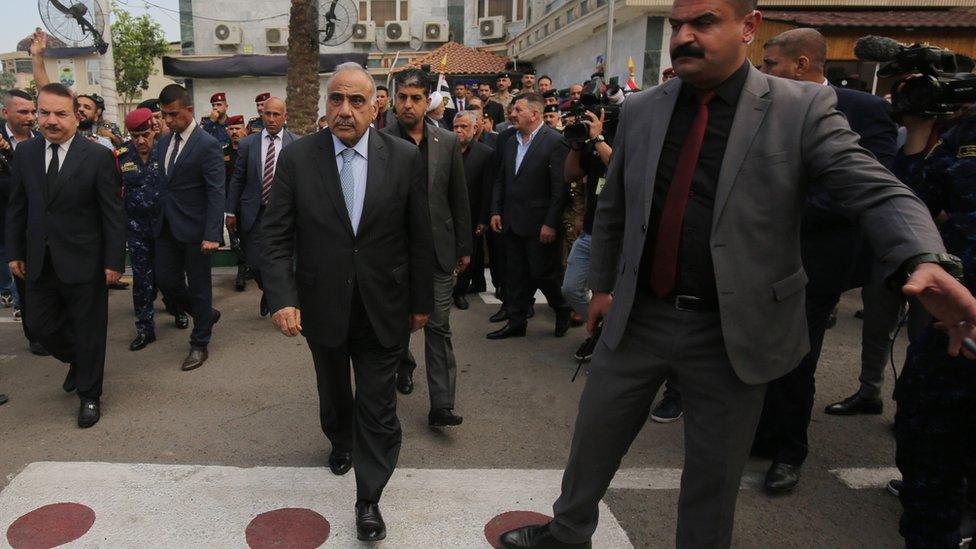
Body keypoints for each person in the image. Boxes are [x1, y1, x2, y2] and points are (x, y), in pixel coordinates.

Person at [497, 0, 972, 546]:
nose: (683, 37)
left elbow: (875, 188)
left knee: (712, 477)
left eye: (703, 23)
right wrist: (603, 284)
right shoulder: (646, 108)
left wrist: (923, 258)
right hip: (639, 317)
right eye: (677, 25)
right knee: (593, 441)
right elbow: (617, 208)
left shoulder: (800, 109)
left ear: (749, 27)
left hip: (731, 331)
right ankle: (566, 532)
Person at [260, 62, 433, 542]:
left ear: (376, 105)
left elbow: (419, 235)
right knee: (335, 391)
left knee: (378, 405)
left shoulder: (403, 157)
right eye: (336, 99)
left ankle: (369, 498)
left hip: (385, 304)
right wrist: (282, 297)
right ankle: (339, 439)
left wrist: (421, 301)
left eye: (356, 101)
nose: (344, 110)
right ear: (326, 104)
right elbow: (274, 236)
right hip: (321, 303)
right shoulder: (299, 159)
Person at [752, 27, 901, 493]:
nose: (764, 72)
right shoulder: (757, 107)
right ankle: (761, 433)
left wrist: (779, 213)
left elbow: (865, 186)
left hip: (817, 257)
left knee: (798, 355)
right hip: (758, 254)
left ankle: (788, 452)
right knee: (756, 347)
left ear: (801, 65)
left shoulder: (863, 110)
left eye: (771, 64)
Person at [5, 83, 125, 428]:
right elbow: (18, 206)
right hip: (38, 261)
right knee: (40, 327)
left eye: (60, 113)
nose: (51, 120)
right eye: (45, 113)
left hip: (86, 261)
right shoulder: (26, 154)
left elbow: (112, 214)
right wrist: (14, 250)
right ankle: (79, 359)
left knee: (89, 330)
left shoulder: (99, 156)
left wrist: (114, 261)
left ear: (77, 116)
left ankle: (89, 396)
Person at [893, 109, 976, 549]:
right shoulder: (965, 133)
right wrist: (919, 135)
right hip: (953, 322)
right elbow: (908, 204)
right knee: (926, 447)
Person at [383, 68, 471, 427]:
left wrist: (464, 246)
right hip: (393, 254)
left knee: (439, 326)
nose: (408, 105)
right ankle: (401, 369)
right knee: (394, 326)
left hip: (437, 250)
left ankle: (442, 405)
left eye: (416, 98)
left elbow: (458, 197)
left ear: (427, 101)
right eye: (402, 97)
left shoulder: (446, 142)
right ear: (394, 100)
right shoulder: (380, 140)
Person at [488, 93, 572, 340]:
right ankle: (516, 322)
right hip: (511, 221)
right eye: (513, 110)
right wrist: (495, 210)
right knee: (514, 275)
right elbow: (501, 179)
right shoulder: (509, 141)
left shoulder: (555, 142)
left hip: (539, 225)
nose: (512, 114)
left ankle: (562, 308)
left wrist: (550, 223)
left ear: (534, 114)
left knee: (542, 273)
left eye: (518, 110)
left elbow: (560, 188)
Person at [153, 84, 225, 372]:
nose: (168, 120)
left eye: (173, 114)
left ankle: (199, 342)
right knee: (166, 281)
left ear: (189, 110)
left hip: (196, 231)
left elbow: (216, 191)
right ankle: (203, 314)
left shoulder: (206, 144)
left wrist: (212, 234)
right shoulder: (163, 142)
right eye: (164, 115)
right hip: (167, 227)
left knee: (199, 287)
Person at [119, 108, 189, 352]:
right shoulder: (122, 156)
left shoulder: (167, 152)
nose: (140, 141)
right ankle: (145, 328)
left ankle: (178, 309)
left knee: (171, 274)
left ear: (154, 130)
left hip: (165, 228)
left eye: (145, 134)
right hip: (137, 231)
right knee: (142, 280)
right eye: (135, 135)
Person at [226, 97, 297, 318]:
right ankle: (268, 290)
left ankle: (278, 298)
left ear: (285, 117)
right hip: (254, 213)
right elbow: (238, 179)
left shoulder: (296, 143)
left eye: (277, 114)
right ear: (261, 115)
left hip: (285, 214)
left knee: (285, 261)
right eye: (268, 114)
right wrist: (229, 211)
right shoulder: (248, 144)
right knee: (255, 264)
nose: (272, 119)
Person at [562, 107, 612, 363]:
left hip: (617, 236)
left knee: (611, 293)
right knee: (570, 288)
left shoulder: (617, 139)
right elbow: (570, 174)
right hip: (590, 231)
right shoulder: (588, 146)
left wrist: (598, 138)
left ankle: (608, 338)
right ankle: (605, 329)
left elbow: (618, 166)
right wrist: (577, 145)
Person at [1, 89, 44, 355]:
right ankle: (35, 336)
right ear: (6, 113)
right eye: (23, 112)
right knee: (24, 285)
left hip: (40, 227)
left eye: (32, 112)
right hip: (8, 228)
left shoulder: (41, 140)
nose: (30, 117)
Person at [452, 110, 495, 307]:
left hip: (473, 214)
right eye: (456, 127)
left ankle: (460, 291)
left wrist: (483, 219)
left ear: (475, 128)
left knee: (467, 253)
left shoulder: (485, 154)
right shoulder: (445, 149)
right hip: (447, 213)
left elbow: (488, 190)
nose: (459, 131)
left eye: (464, 127)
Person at [223, 115, 250, 292]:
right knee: (236, 242)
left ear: (245, 130)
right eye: (231, 129)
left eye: (237, 128)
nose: (234, 132)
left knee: (251, 241)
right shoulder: (223, 152)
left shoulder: (251, 150)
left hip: (250, 204)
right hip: (232, 206)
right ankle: (243, 268)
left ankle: (247, 268)